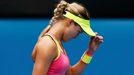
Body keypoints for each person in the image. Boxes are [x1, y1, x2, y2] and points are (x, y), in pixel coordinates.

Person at [32, 0, 103, 75]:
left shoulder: (57, 45)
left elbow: (71, 73)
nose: (76, 36)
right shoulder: (47, 44)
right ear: (70, 22)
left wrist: (90, 52)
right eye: (79, 31)